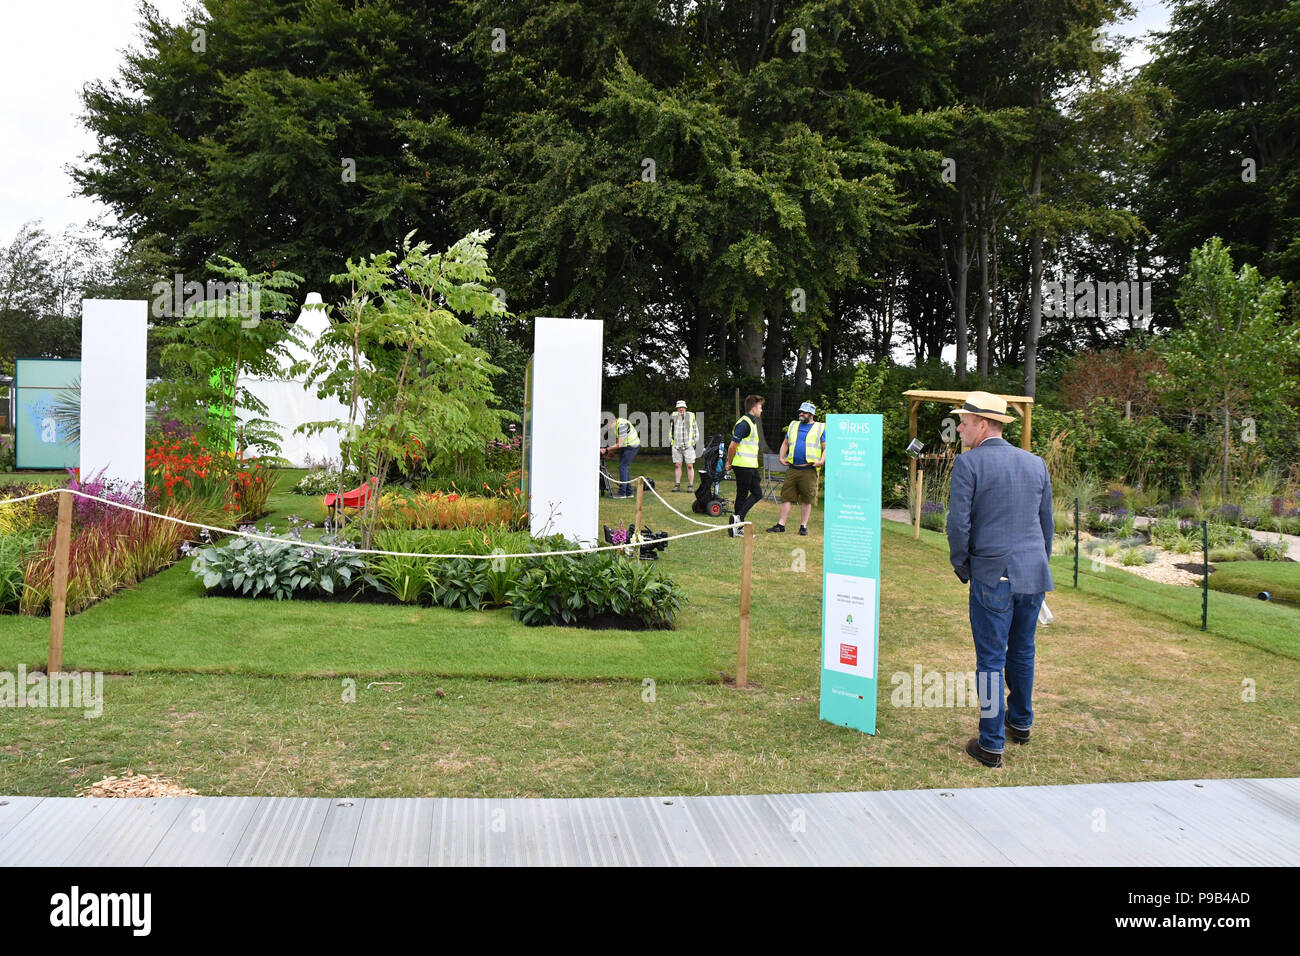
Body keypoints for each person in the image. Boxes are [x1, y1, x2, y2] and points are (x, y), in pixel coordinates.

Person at [945, 391, 1054, 769]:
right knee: (1022, 650)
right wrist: (1038, 564)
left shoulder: (969, 464)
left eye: (965, 421)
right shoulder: (1036, 463)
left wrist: (964, 567)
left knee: (991, 660)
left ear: (984, 424)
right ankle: (1020, 723)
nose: (959, 428)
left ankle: (991, 743)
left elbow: (958, 525)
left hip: (994, 576)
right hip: (1032, 574)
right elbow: (1046, 526)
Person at [766, 401, 825, 536]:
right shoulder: (793, 425)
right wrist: (781, 457)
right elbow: (785, 443)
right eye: (800, 411)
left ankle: (803, 526)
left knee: (806, 499)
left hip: (809, 469)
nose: (800, 414)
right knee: (786, 497)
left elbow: (826, 447)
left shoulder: (820, 427)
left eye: (803, 412)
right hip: (793, 468)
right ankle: (781, 525)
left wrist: (821, 461)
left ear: (811, 414)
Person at [725, 394, 765, 537]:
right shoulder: (744, 423)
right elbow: (732, 446)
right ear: (754, 408)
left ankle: (738, 520)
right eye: (760, 407)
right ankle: (738, 525)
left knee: (757, 493)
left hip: (751, 466)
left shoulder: (751, 422)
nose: (761, 410)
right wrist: (729, 462)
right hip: (743, 465)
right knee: (742, 494)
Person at [600, 412, 641, 498]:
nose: (607, 428)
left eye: (607, 425)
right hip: (626, 445)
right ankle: (629, 492)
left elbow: (619, 444)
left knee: (623, 467)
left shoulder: (622, 425)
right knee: (624, 467)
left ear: (612, 421)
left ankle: (622, 493)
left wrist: (606, 450)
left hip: (632, 446)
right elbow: (618, 441)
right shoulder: (617, 424)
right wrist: (610, 452)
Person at [669, 400, 698, 492]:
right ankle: (677, 485)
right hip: (677, 445)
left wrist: (695, 440)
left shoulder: (690, 416)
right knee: (678, 465)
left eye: (682, 407)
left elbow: (695, 428)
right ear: (677, 408)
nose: (681, 409)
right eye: (679, 407)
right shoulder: (673, 416)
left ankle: (690, 485)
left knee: (689, 465)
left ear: (685, 408)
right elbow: (669, 429)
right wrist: (671, 441)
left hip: (688, 445)